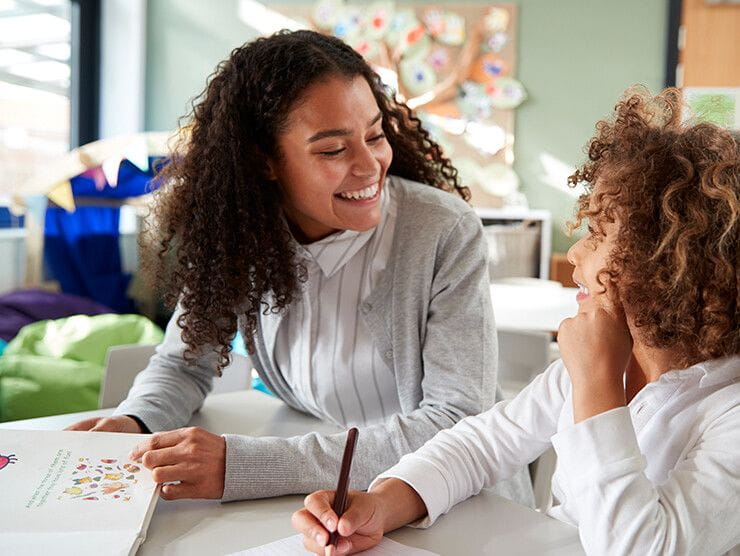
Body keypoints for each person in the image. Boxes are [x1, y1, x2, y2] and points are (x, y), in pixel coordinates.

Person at [66, 29, 532, 506]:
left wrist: (247, 465)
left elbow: (455, 423)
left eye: (375, 135)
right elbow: (184, 363)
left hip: (459, 499)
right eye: (333, 149)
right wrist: (138, 420)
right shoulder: (242, 232)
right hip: (327, 494)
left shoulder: (441, 230)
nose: (370, 166)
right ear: (265, 162)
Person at [293, 87, 740, 556]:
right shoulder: (598, 361)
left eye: (601, 233)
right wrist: (384, 503)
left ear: (673, 266)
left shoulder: (725, 414)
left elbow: (638, 549)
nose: (578, 255)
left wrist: (597, 383)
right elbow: (482, 444)